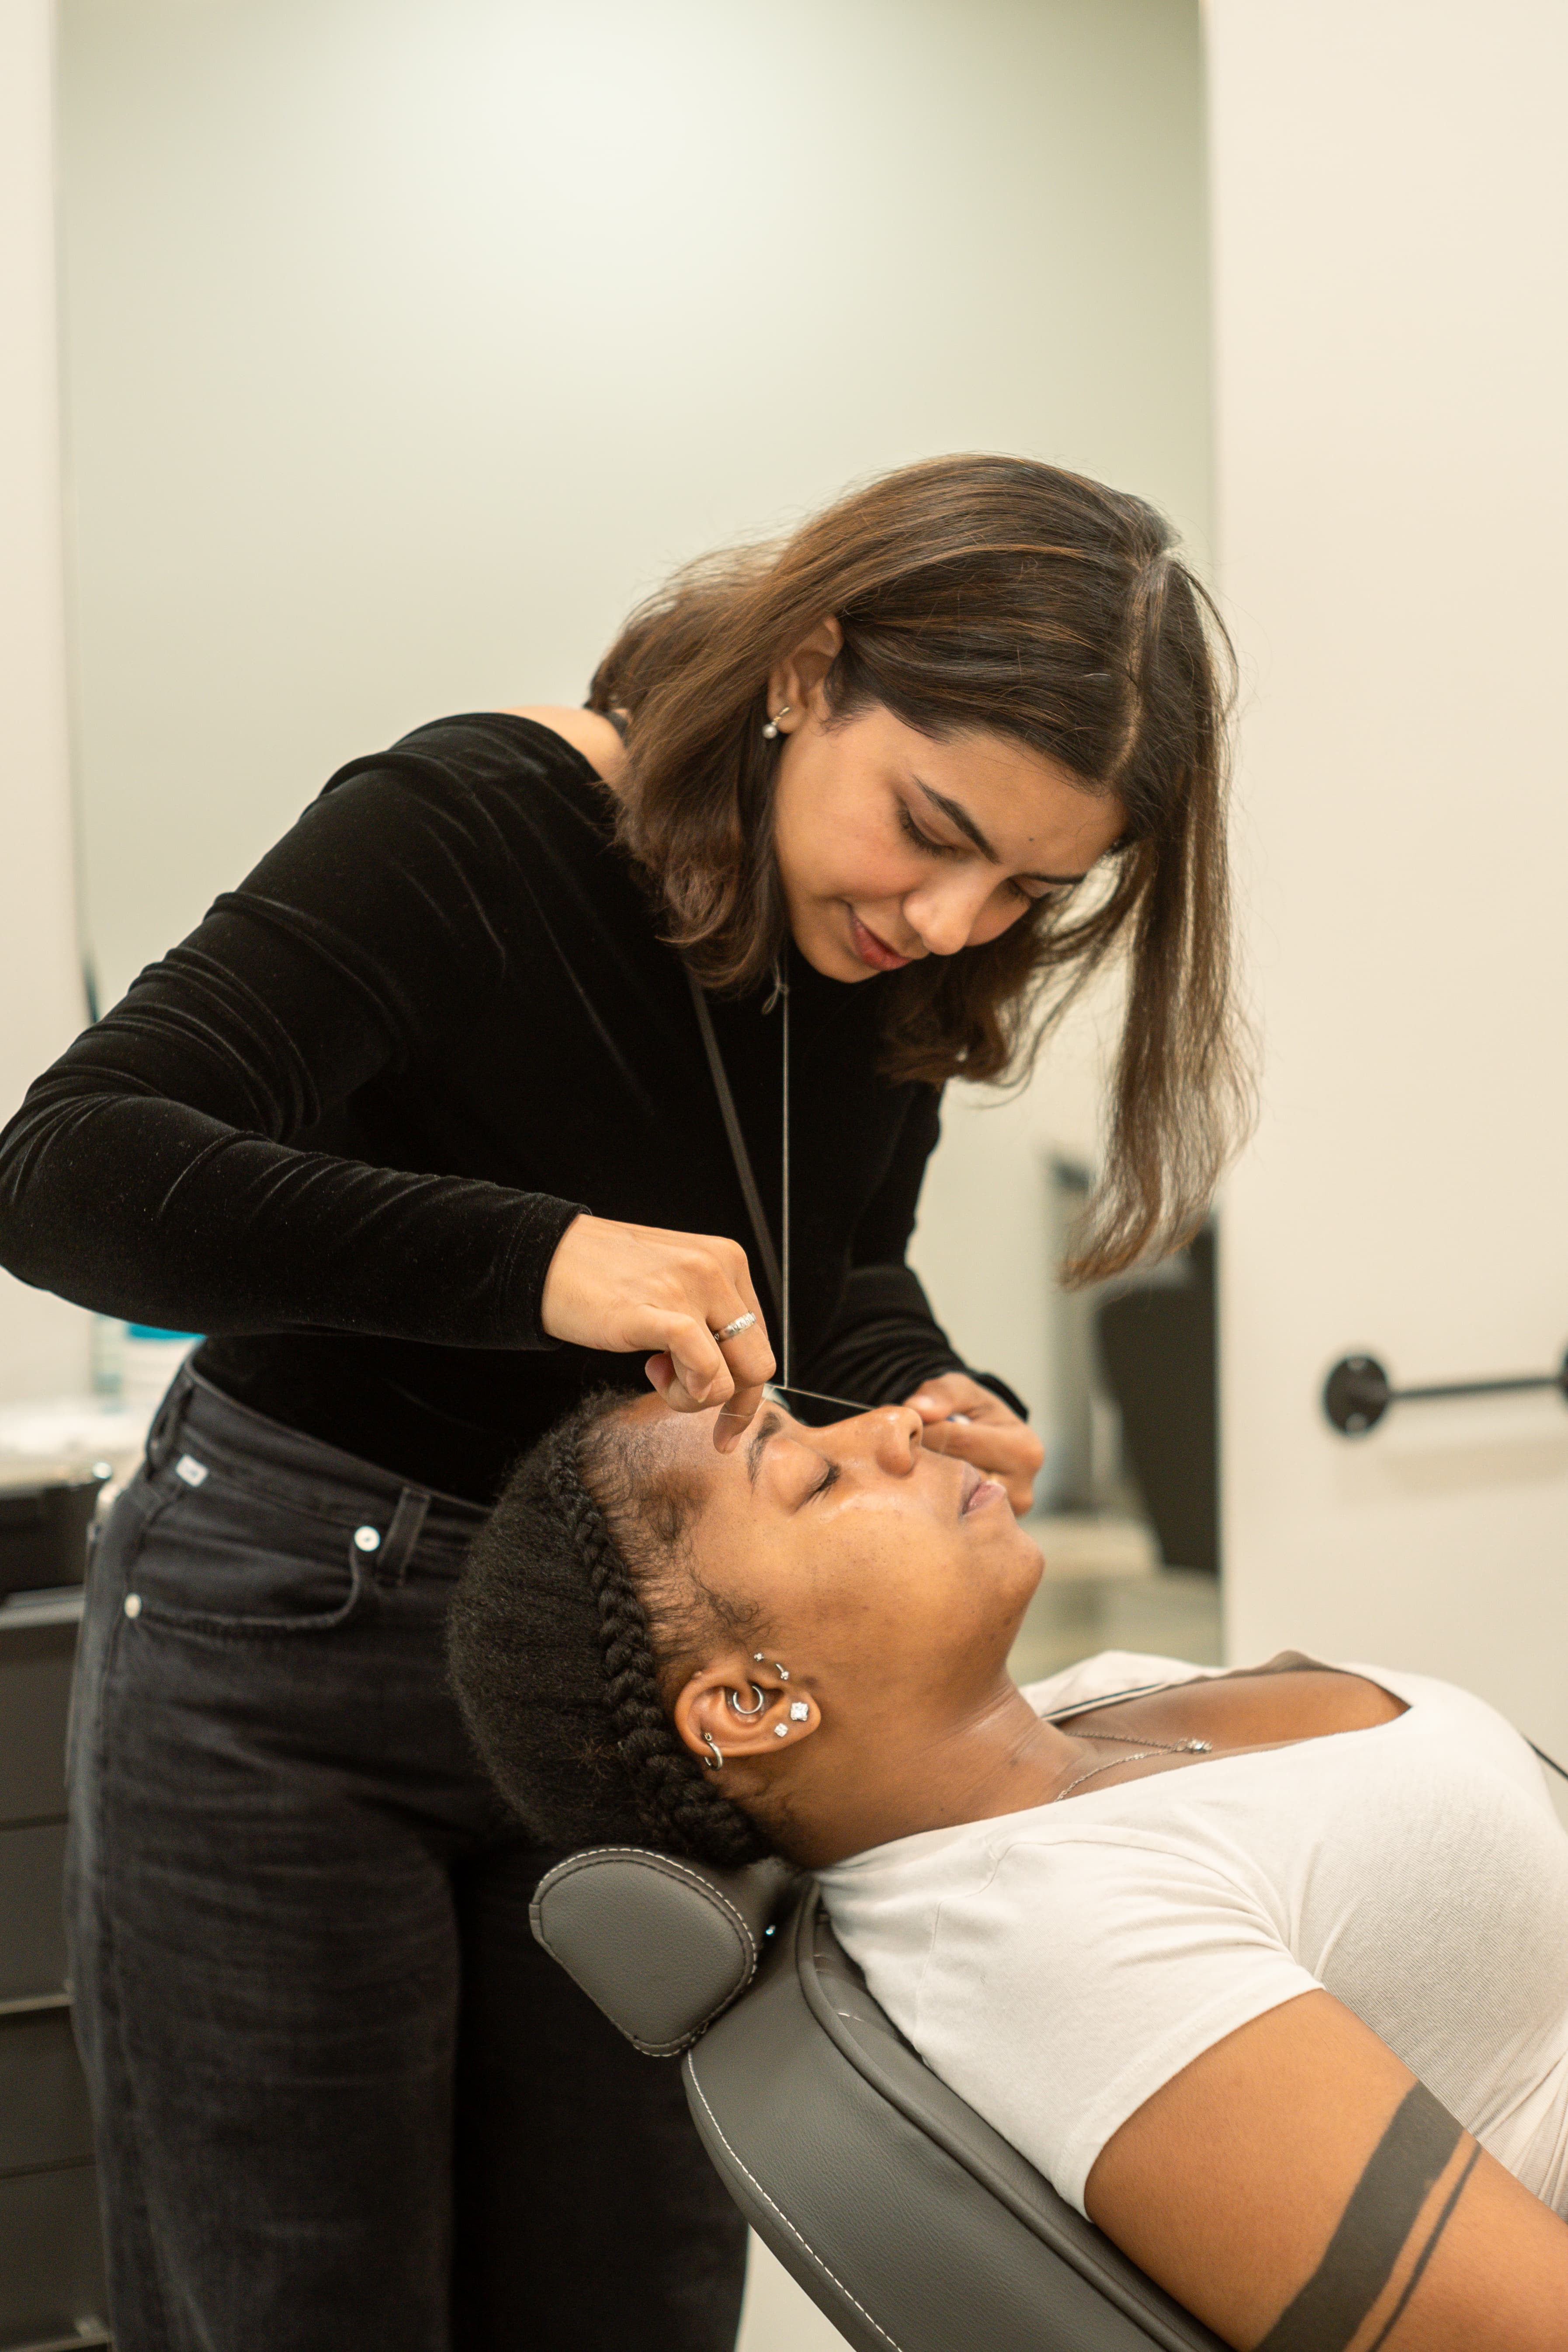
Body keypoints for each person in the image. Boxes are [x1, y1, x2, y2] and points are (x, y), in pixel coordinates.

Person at [0, 454, 1245, 2352]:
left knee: (626, 2299)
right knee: (294, 2301)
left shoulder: (884, 941)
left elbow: (815, 1260)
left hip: (644, 1681)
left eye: (1029, 886)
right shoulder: (477, 824)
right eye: (932, 827)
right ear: (808, 669)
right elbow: (68, 1170)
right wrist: (544, 1256)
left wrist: (922, 1379)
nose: (953, 916)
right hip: (290, 1649)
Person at [448, 1387, 1568, 2352]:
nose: (895, 1423)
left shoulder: (1084, 1705)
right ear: (750, 1704)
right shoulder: (1063, 1948)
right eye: (812, 1479)